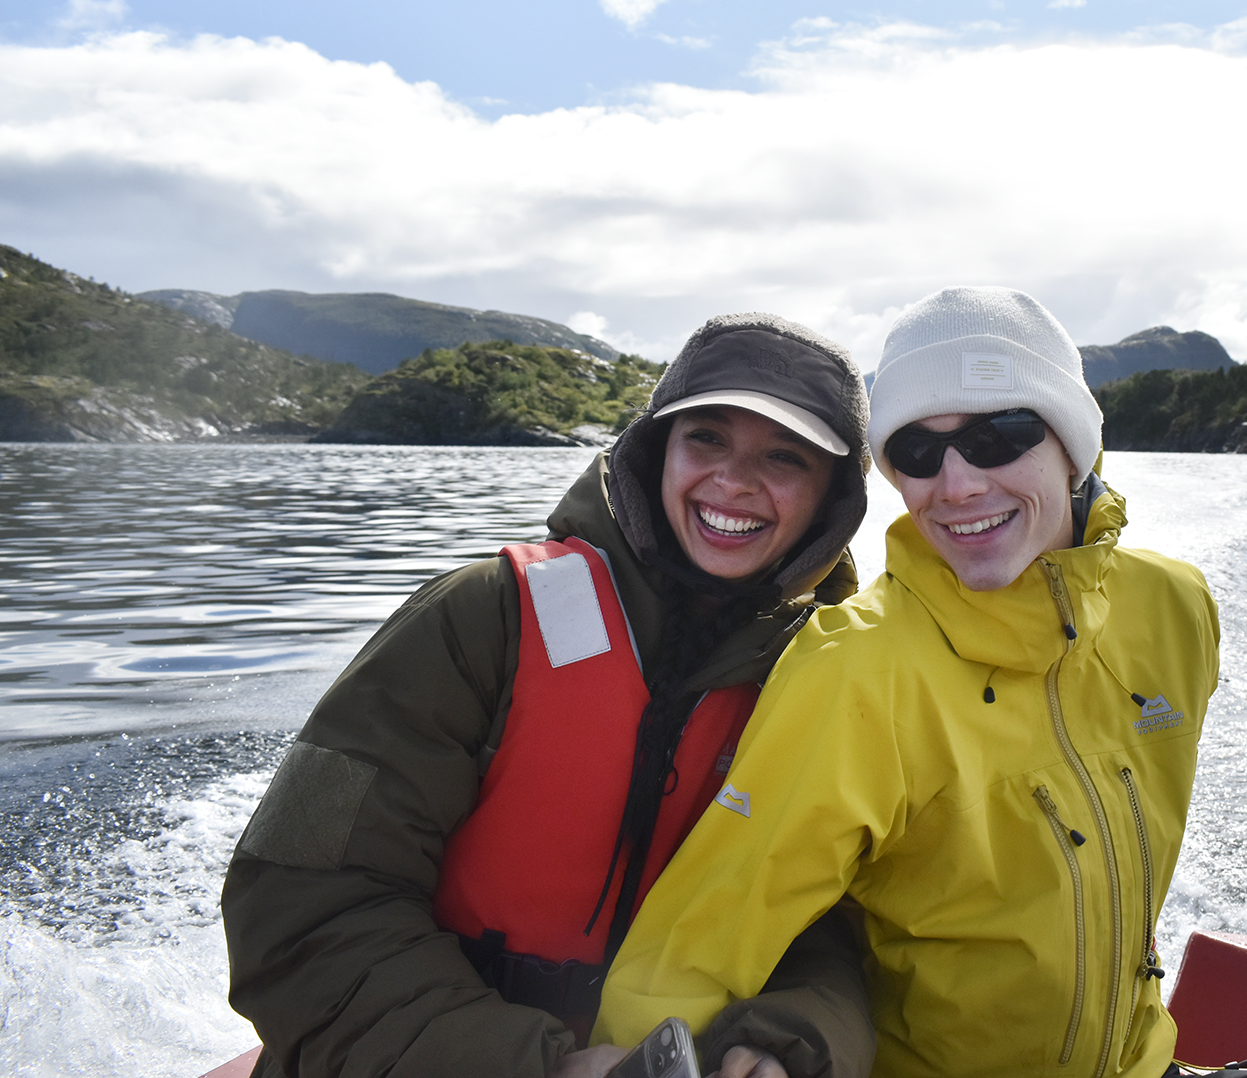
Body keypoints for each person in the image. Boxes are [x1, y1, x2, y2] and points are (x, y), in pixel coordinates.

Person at [222, 313, 876, 1078]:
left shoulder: (823, 679)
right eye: (706, 438)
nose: (733, 481)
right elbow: (293, 896)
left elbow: (829, 933)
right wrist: (540, 1066)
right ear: (655, 451)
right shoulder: (477, 616)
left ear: (833, 501)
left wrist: (787, 1041)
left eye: (785, 456)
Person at [597, 287, 1222, 1078]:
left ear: (1074, 444)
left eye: (998, 436)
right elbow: (696, 945)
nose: (956, 485)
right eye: (918, 453)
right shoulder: (855, 669)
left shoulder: (1175, 607)